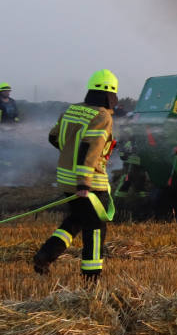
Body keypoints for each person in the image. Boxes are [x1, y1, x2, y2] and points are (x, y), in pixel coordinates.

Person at [32, 69, 120, 280]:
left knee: (77, 219)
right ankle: (91, 277)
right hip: (90, 184)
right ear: (109, 94)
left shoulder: (72, 110)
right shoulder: (102, 116)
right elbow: (90, 148)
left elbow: (53, 137)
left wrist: (69, 155)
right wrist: (84, 183)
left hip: (65, 179)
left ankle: (46, 255)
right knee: (96, 228)